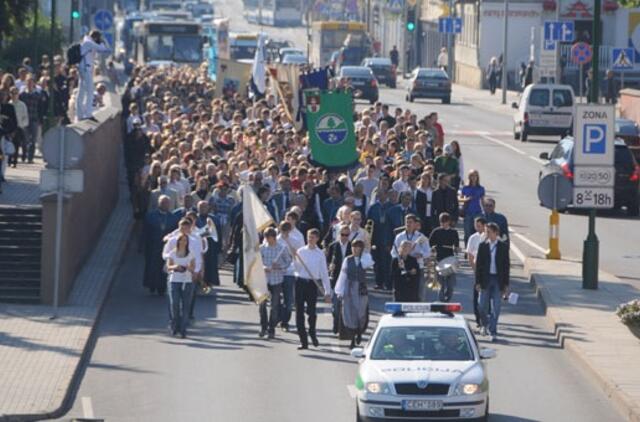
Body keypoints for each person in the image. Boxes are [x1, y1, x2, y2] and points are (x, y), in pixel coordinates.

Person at [294, 228, 332, 350]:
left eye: (313, 237)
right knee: (299, 312)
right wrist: (295, 261)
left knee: (311, 312)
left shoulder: (320, 254)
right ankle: (303, 341)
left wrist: (327, 291)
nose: (311, 239)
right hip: (301, 282)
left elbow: (324, 273)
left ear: (317, 239)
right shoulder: (300, 251)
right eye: (309, 237)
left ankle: (312, 332)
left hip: (312, 284)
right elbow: (295, 269)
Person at [334, 239, 373, 349]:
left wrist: (364, 253)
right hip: (349, 287)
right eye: (353, 247)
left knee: (360, 312)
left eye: (358, 247)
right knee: (349, 312)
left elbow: (367, 263)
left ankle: (359, 331)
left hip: (361, 288)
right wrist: (340, 291)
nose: (355, 249)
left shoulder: (365, 258)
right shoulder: (347, 260)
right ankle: (352, 338)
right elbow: (343, 275)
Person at [475, 223, 510, 342]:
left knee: (497, 307)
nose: (487, 234)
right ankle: (485, 324)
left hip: (497, 280)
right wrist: (477, 282)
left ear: (496, 233)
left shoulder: (503, 247)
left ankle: (493, 331)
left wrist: (506, 285)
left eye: (489, 232)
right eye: (486, 232)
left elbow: (506, 267)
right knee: (481, 305)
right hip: (486, 279)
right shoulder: (482, 246)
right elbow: (478, 265)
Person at [142, 195, 179, 295]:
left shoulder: (174, 218)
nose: (165, 204)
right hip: (152, 246)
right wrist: (142, 246)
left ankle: (162, 288)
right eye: (163, 202)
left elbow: (176, 235)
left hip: (166, 248)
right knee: (152, 267)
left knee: (163, 268)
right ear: (159, 203)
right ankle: (151, 285)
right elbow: (144, 232)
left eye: (167, 203)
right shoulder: (150, 216)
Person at [260, 227, 292, 339]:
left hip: (277, 280)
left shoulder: (282, 248)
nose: (267, 240)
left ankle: (271, 328)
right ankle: (263, 327)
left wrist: (279, 267)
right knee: (262, 304)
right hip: (264, 280)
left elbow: (288, 262)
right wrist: (264, 267)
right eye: (265, 237)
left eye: (268, 238)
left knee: (274, 306)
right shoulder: (262, 248)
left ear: (273, 237)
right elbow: (258, 262)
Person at [391, 214, 430, 299]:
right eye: (407, 222)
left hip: (417, 266)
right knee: (400, 291)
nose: (408, 224)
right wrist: (401, 255)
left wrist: (421, 254)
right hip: (403, 266)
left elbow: (428, 252)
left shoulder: (421, 237)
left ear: (415, 224)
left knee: (419, 292)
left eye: (410, 222)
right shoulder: (399, 236)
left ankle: (419, 310)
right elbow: (393, 252)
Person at [165, 233, 196, 338]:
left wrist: (188, 267)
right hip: (174, 281)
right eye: (181, 240)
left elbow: (193, 268)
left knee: (185, 306)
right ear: (177, 242)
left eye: (185, 240)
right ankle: (175, 325)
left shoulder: (191, 254)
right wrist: (176, 266)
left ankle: (183, 329)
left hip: (186, 282)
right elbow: (168, 267)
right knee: (175, 304)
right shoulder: (172, 254)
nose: (183, 242)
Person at [77, 30, 112, 121]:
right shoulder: (89, 43)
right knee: (90, 91)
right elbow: (104, 49)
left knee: (81, 92)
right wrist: (103, 40)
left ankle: (80, 114)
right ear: (95, 37)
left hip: (83, 68)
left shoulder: (87, 42)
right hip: (86, 69)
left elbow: (106, 50)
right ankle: (88, 114)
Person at [277, 221, 304, 331]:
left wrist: (295, 253)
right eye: (283, 229)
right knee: (276, 298)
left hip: (289, 272)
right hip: (277, 272)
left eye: (287, 230)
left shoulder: (295, 241)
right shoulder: (276, 240)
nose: (284, 232)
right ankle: (277, 317)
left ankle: (285, 321)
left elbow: (301, 255)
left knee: (288, 300)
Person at [327, 225, 352, 334]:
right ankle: (336, 322)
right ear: (339, 234)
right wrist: (330, 267)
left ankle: (343, 327)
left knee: (346, 306)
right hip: (336, 279)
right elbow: (328, 261)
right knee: (335, 306)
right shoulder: (333, 246)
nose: (344, 237)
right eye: (342, 234)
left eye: (347, 235)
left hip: (348, 279)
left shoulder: (352, 246)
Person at [429, 212, 459, 302]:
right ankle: (442, 301)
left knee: (450, 285)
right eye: (441, 222)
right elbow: (430, 243)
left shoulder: (454, 232)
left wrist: (457, 249)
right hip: (439, 259)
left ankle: (448, 298)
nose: (443, 224)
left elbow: (456, 246)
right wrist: (433, 248)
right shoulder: (436, 231)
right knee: (440, 283)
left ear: (449, 221)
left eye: (445, 221)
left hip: (450, 259)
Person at [466, 216, 487, 328]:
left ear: (484, 225)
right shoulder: (473, 238)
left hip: (487, 272)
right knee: (476, 295)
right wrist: (475, 270)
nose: (476, 227)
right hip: (477, 271)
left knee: (487, 296)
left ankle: (486, 318)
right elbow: (470, 255)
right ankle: (478, 319)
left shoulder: (488, 237)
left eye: (479, 225)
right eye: (475, 225)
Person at [459, 169, 485, 244]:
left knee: (478, 232)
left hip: (477, 212)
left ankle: (477, 249)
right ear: (469, 177)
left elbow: (482, 200)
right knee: (467, 233)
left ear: (477, 177)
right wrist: (466, 199)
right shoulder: (465, 188)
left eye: (475, 176)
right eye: (472, 176)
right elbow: (460, 199)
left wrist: (485, 212)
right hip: (468, 212)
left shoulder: (481, 188)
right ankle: (467, 250)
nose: (473, 177)